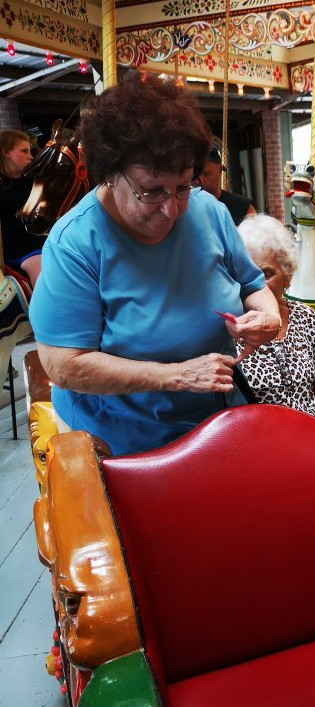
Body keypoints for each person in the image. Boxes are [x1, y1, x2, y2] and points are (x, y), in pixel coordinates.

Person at [29, 73, 280, 457]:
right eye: (151, 191)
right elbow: (64, 364)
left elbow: (253, 286)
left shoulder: (209, 212)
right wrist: (177, 376)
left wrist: (267, 316)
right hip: (116, 435)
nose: (173, 209)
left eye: (183, 186)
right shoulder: (76, 244)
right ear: (111, 174)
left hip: (213, 420)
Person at [235, 214, 315, 415]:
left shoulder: (309, 319)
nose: (253, 283)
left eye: (266, 274)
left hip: (309, 436)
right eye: (245, 274)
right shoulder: (231, 328)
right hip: (253, 440)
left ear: (288, 275)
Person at [0, 129, 45, 287]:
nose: (30, 156)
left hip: (41, 242)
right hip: (19, 251)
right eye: (24, 151)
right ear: (7, 153)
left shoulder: (34, 182)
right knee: (41, 275)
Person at [199, 144, 256, 226]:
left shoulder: (243, 207)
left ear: (220, 171)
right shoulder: (186, 207)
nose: (200, 180)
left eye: (207, 174)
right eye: (196, 174)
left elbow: (255, 236)